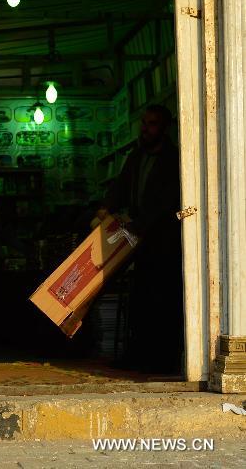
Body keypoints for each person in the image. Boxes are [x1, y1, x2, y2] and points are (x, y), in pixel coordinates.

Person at [97, 103, 182, 375]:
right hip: (139, 241)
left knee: (162, 300)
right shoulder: (136, 155)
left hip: (163, 240)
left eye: (152, 124)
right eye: (144, 124)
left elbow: (165, 201)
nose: (146, 129)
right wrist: (106, 207)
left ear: (164, 127)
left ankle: (161, 358)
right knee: (140, 299)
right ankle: (137, 354)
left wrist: (139, 225)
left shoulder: (173, 158)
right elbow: (120, 186)